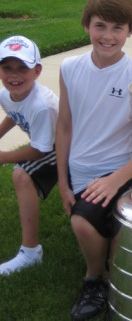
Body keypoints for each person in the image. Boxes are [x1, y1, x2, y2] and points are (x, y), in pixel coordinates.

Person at [56, 0, 132, 321]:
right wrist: (64, 184)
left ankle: (109, 276)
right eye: (100, 26)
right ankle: (94, 278)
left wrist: (115, 181)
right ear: (86, 26)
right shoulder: (70, 68)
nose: (107, 36)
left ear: (130, 31)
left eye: (117, 28)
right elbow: (64, 126)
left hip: (118, 171)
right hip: (80, 171)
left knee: (124, 222)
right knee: (83, 222)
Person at [0, 35, 58, 275]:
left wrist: (4, 157)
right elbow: (14, 114)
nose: (14, 75)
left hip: (67, 147)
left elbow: (39, 150)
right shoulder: (7, 94)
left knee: (22, 174)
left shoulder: (41, 106)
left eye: (22, 68)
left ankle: (31, 253)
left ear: (37, 71)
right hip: (50, 144)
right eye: (7, 68)